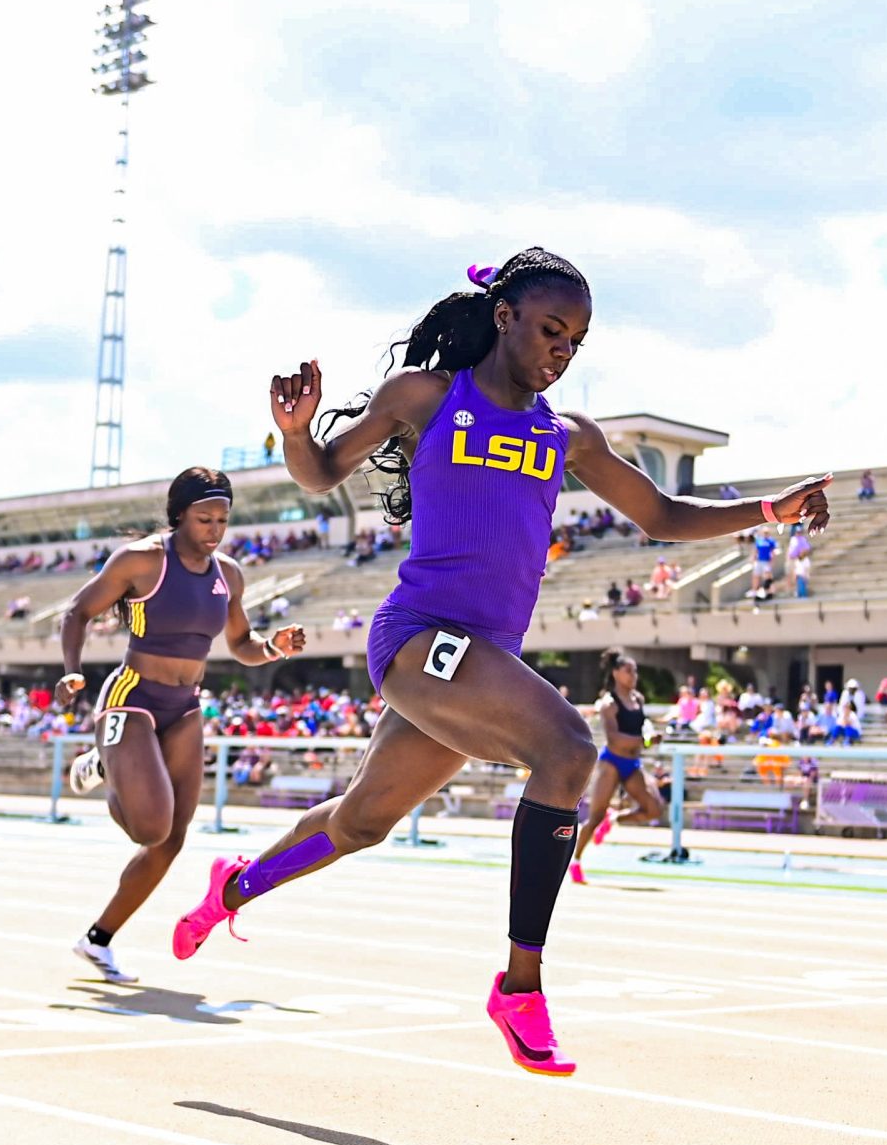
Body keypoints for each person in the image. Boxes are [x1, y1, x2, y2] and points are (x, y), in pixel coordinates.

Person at [170, 249, 831, 1076]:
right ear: (505, 315)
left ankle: (234, 884)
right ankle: (520, 985)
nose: (562, 350)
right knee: (567, 750)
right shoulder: (428, 397)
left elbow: (662, 512)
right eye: (552, 329)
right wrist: (298, 433)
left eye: (578, 341)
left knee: (361, 822)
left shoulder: (567, 436)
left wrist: (771, 510)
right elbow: (320, 474)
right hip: (419, 637)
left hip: (480, 659)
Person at [55, 467, 307, 982]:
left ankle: (98, 941)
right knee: (147, 825)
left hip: (185, 706)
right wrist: (73, 671)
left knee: (171, 837)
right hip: (133, 699)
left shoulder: (229, 574)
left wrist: (273, 647)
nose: (214, 530)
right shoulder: (143, 560)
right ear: (178, 516)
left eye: (222, 520)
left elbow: (241, 645)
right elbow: (78, 611)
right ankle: (106, 760)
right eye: (203, 519)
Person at [570, 651, 669, 885]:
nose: (634, 675)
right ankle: (575, 861)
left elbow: (640, 727)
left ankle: (614, 819)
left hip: (633, 763)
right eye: (628, 671)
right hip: (612, 763)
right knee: (594, 817)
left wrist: (650, 736)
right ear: (616, 673)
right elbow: (614, 739)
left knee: (654, 809)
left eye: (635, 671)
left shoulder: (639, 699)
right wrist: (645, 741)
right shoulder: (609, 704)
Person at [787, 524, 812, 599]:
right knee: (797, 576)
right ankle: (799, 592)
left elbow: (807, 549)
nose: (799, 533)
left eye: (800, 532)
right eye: (797, 532)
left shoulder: (803, 539)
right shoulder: (793, 539)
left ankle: (802, 593)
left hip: (802, 559)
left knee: (803, 578)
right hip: (796, 559)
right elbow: (791, 551)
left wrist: (802, 553)